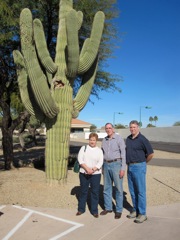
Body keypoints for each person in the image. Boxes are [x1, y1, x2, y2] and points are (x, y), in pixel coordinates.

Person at [126, 120, 154, 223]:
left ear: (138, 127)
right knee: (132, 191)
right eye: (131, 127)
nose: (132, 129)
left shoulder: (143, 139)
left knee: (140, 191)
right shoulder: (128, 139)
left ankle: (143, 213)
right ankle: (135, 210)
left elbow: (151, 153)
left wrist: (143, 163)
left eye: (134, 127)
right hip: (130, 167)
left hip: (139, 166)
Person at [100, 123, 126, 219]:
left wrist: (123, 168)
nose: (108, 130)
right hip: (106, 165)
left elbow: (123, 154)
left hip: (116, 165)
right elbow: (102, 154)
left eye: (110, 128)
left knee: (118, 189)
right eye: (106, 128)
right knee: (106, 188)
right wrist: (102, 167)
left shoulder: (119, 139)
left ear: (113, 129)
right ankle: (108, 207)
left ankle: (118, 210)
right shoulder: (104, 140)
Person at [76, 132, 103, 218]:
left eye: (94, 140)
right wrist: (87, 169)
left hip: (96, 174)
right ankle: (81, 209)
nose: (92, 141)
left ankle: (94, 211)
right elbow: (80, 159)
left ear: (96, 140)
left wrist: (93, 169)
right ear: (89, 140)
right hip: (84, 173)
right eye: (91, 140)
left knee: (95, 192)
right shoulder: (83, 148)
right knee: (83, 191)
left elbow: (100, 162)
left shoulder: (99, 150)